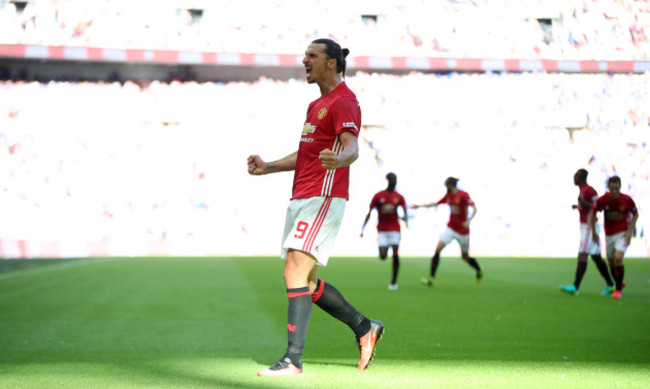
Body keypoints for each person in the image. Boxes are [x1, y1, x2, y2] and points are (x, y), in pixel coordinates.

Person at [247, 38, 384, 376]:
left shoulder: (344, 102)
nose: (304, 60)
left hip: (323, 196)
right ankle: (365, 327)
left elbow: (352, 147)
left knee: (293, 269)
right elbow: (307, 152)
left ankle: (292, 359)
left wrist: (339, 160)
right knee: (306, 283)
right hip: (303, 195)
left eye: (312, 55)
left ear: (332, 63)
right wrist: (270, 167)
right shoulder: (317, 105)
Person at [412, 177, 482, 286]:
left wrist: (469, 220)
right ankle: (431, 278)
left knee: (464, 256)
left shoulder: (463, 195)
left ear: (450, 185)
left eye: (446, 185)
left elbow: (475, 208)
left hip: (463, 231)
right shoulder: (448, 196)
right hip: (451, 228)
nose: (446, 188)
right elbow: (435, 203)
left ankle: (479, 269)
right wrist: (419, 206)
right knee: (438, 249)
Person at [561, 169, 615, 296]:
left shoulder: (589, 190)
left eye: (576, 175)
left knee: (582, 254)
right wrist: (578, 206)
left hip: (589, 226)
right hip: (587, 225)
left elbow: (597, 206)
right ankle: (611, 285)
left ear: (581, 177)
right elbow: (588, 207)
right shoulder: (583, 191)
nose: (574, 177)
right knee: (596, 257)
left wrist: (583, 202)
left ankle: (575, 286)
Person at [589, 176, 639, 299]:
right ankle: (619, 281)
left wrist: (629, 231)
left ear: (620, 187)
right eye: (612, 188)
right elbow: (593, 211)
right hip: (609, 235)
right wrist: (594, 231)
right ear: (608, 188)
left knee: (618, 258)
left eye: (617, 188)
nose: (615, 191)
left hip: (622, 233)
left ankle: (617, 291)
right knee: (612, 264)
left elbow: (636, 214)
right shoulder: (603, 199)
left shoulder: (626, 199)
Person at [360, 172, 408, 290]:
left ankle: (394, 281)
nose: (394, 182)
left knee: (396, 254)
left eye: (395, 180)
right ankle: (385, 252)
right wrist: (363, 228)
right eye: (392, 180)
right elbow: (369, 212)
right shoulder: (378, 196)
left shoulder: (399, 197)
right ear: (388, 181)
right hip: (382, 230)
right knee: (383, 256)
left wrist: (405, 219)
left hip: (395, 229)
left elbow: (405, 212)